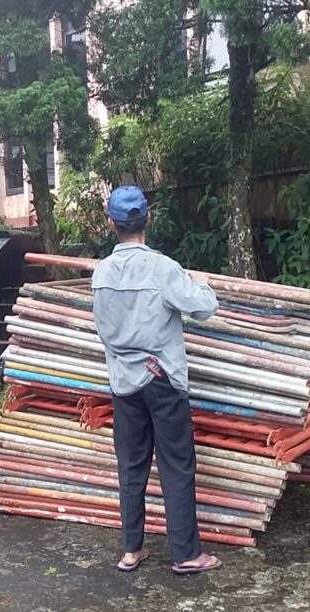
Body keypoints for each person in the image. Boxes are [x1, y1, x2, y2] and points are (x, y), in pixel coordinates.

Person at [91, 185, 222, 575]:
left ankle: (131, 550)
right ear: (147, 219)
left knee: (131, 465)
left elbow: (102, 329)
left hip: (124, 382)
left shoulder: (101, 273)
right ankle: (185, 554)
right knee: (176, 464)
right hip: (162, 378)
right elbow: (205, 308)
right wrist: (198, 284)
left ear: (110, 223)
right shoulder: (163, 268)